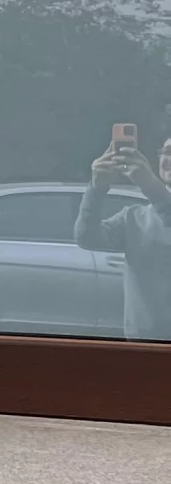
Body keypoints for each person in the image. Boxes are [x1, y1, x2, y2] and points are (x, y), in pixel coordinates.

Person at [75, 133, 171, 340]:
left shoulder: (153, 196)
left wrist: (152, 187)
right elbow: (87, 238)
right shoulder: (134, 217)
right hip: (143, 342)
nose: (169, 159)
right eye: (167, 152)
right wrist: (97, 188)